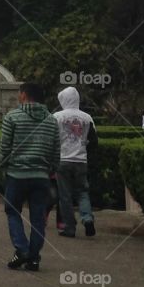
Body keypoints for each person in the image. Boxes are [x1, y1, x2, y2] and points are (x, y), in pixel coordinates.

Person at [0, 82, 60, 271]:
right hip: (41, 176)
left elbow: (5, 147)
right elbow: (56, 151)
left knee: (12, 211)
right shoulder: (51, 120)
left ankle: (22, 249)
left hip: (16, 174)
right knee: (38, 217)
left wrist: (4, 166)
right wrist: (49, 170)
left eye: (19, 93)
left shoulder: (12, 117)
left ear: (24, 95)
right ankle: (34, 258)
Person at [53, 86, 98, 237]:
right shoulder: (87, 118)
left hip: (62, 160)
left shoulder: (56, 117)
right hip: (81, 160)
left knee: (65, 196)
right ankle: (87, 218)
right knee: (82, 192)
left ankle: (70, 228)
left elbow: (51, 139)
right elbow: (94, 141)